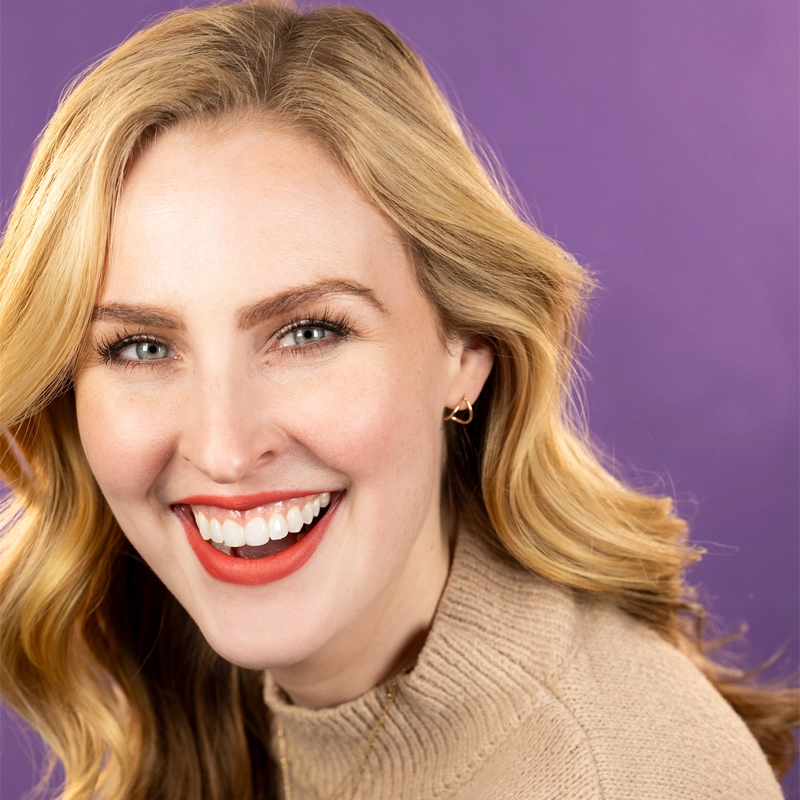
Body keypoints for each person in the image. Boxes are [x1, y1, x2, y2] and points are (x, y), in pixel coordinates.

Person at [0, 2, 796, 798]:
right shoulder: (215, 687)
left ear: (467, 351)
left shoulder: (613, 779)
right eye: (141, 347)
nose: (225, 449)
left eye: (309, 332)